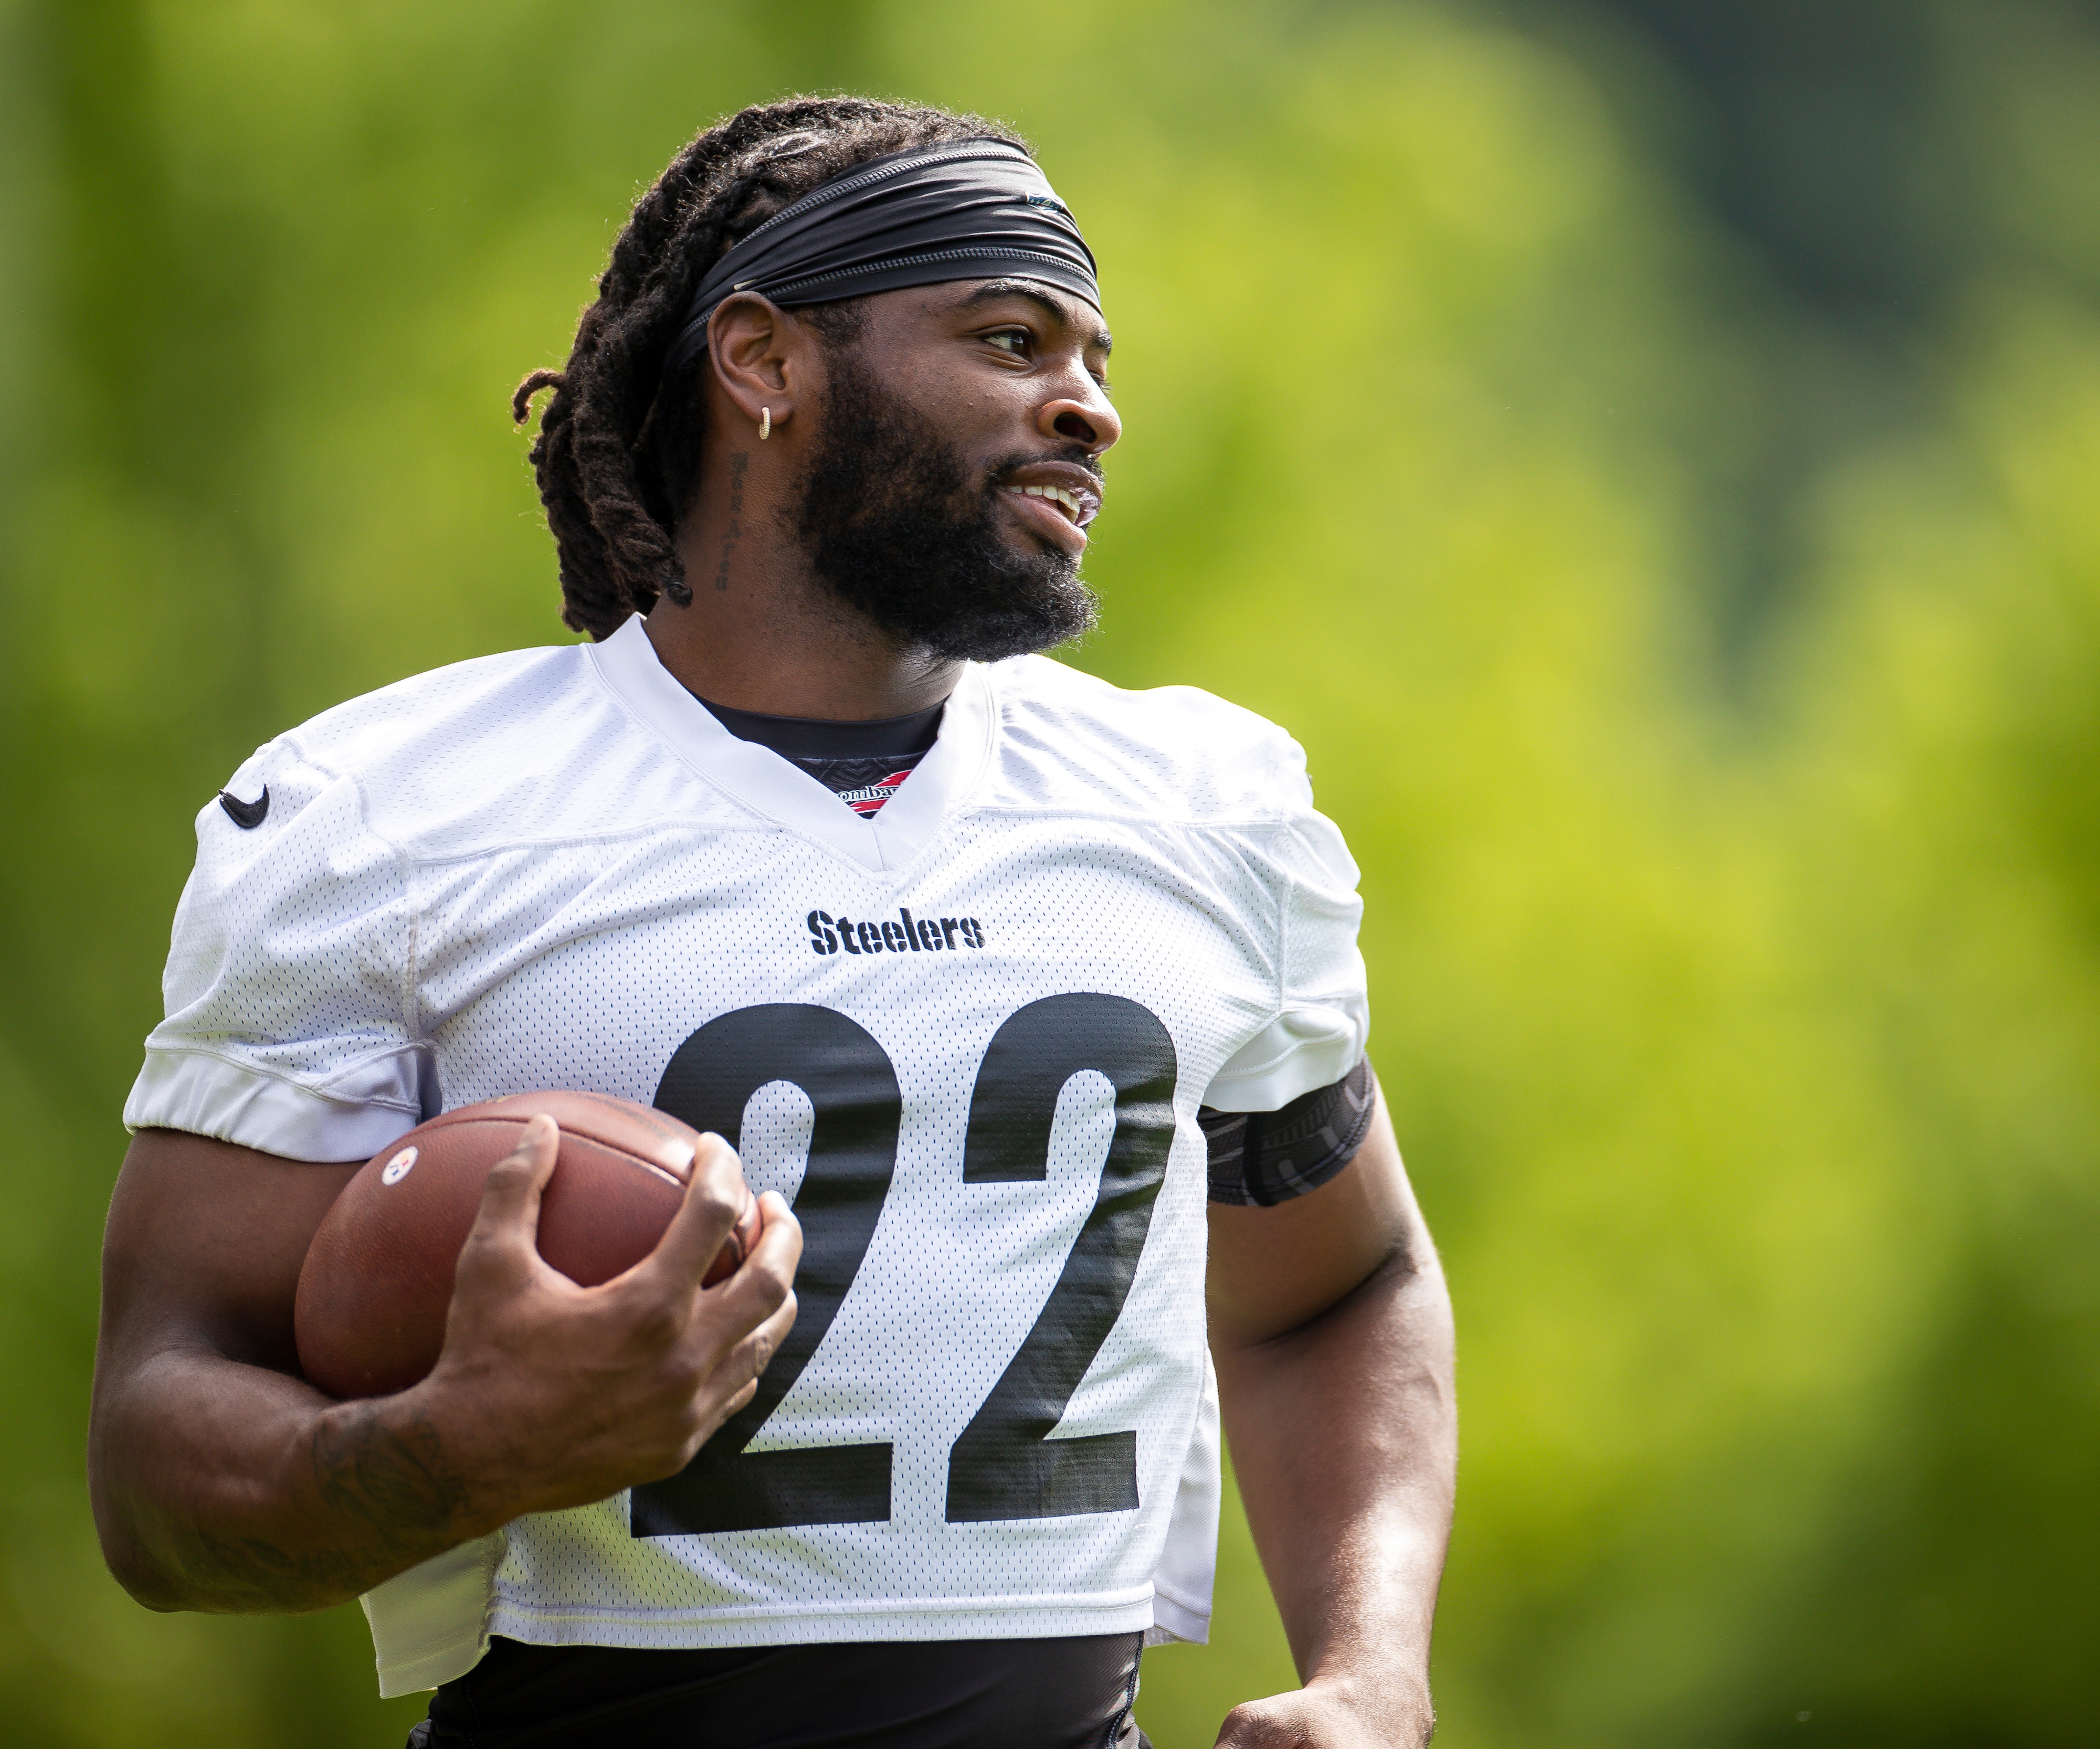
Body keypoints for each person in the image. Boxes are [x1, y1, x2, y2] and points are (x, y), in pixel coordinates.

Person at [88, 96, 1455, 1749]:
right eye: (1012, 339)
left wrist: (1372, 1671)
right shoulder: (389, 814)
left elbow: (1340, 1286)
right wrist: (461, 1449)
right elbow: (153, 1475)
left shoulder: (1204, 807)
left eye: (1097, 359)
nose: (1090, 406)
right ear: (763, 361)